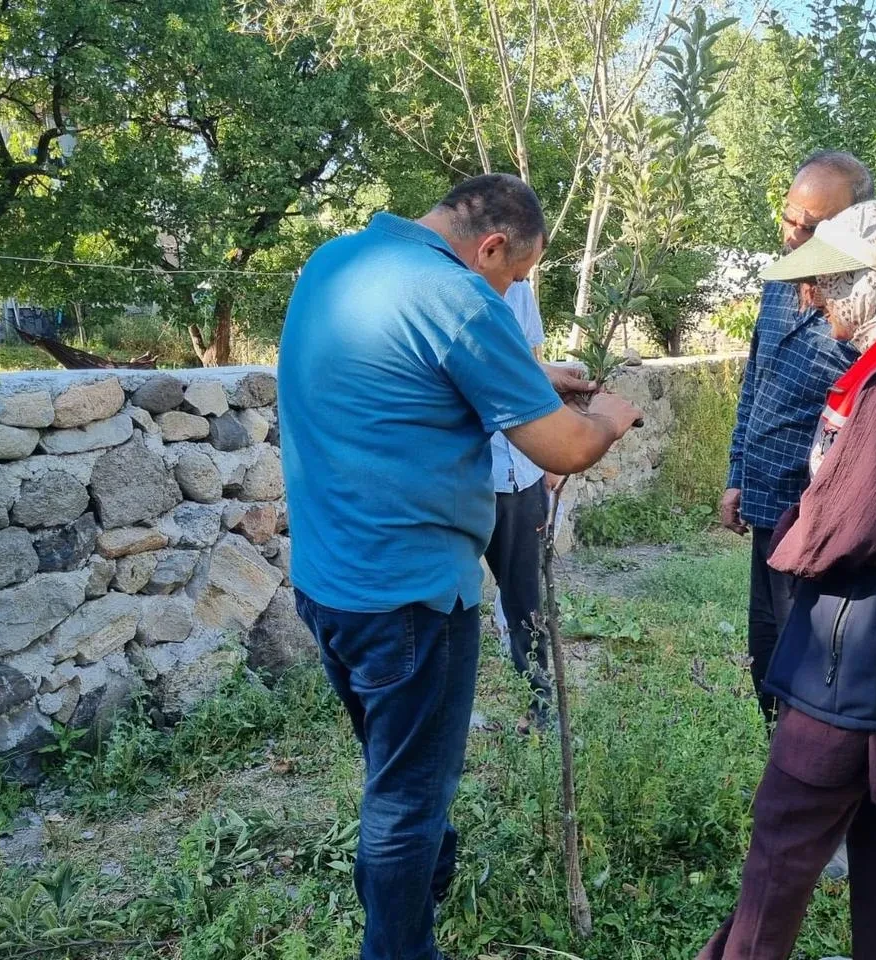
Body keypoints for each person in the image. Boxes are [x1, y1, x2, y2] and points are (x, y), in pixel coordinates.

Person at [278, 173, 644, 960]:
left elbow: (403, 372)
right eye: (513, 275)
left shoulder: (336, 261)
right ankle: (401, 946)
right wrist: (611, 415)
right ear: (490, 246)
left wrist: (530, 379)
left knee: (393, 773)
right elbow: (568, 447)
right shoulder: (457, 296)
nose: (509, 291)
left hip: (327, 582)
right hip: (411, 598)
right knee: (408, 803)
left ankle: (410, 901)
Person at [699, 197, 876, 960]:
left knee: (784, 837)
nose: (809, 295)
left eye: (826, 281)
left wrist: (789, 540)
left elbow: (852, 527)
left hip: (860, 667)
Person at [721, 151, 875, 724]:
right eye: (790, 216)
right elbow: (754, 384)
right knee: (768, 651)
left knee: (812, 662)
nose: (794, 234)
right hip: (766, 502)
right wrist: (737, 476)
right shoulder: (779, 285)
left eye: (813, 227)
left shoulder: (870, 306)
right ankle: (782, 769)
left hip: (821, 515)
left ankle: (810, 778)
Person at [486, 278, 554, 735]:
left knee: (525, 600)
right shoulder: (447, 291)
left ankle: (541, 705)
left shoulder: (520, 292)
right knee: (442, 606)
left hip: (524, 472)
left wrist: (549, 453)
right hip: (469, 477)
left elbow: (532, 368)